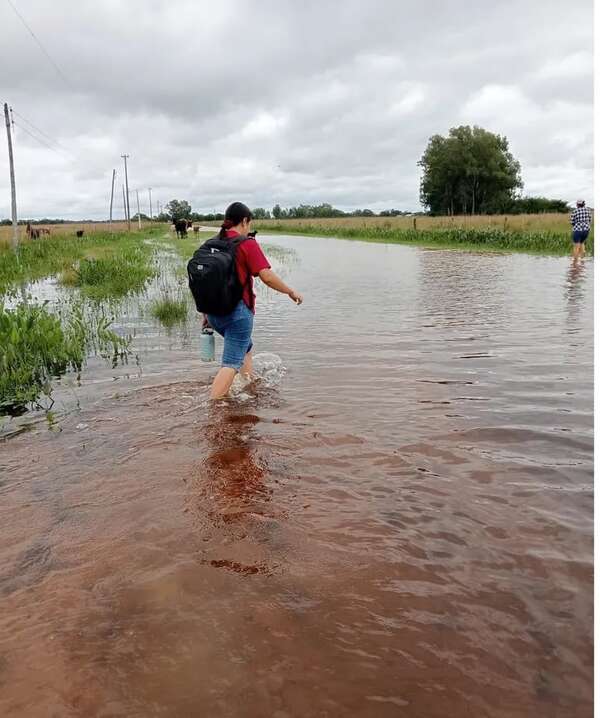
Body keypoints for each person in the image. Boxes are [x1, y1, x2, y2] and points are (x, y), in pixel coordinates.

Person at [204, 202, 303, 400]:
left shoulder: (210, 244)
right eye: (249, 223)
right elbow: (266, 276)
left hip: (213, 314)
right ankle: (213, 408)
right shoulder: (246, 243)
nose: (249, 228)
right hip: (237, 314)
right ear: (245, 221)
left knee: (245, 346)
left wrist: (206, 313)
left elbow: (205, 282)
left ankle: (247, 383)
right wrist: (290, 291)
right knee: (231, 363)